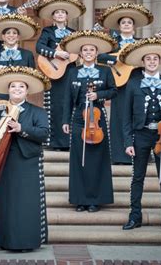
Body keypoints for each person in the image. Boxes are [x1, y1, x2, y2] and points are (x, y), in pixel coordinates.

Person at [0, 66, 51, 252]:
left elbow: (44, 134)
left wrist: (22, 129)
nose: (17, 90)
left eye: (21, 87)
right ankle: (2, 240)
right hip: (1, 162)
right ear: (8, 90)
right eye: (13, 87)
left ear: (27, 91)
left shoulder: (37, 111)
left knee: (25, 202)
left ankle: (26, 241)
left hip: (26, 161)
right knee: (3, 201)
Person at [121, 37, 161, 232]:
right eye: (148, 59)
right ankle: (135, 217)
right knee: (137, 177)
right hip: (140, 135)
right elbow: (126, 116)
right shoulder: (133, 84)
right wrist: (127, 141)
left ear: (160, 62)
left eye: (155, 59)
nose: (152, 62)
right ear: (143, 62)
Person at [61, 30, 117, 213]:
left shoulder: (105, 71)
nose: (88, 53)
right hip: (79, 117)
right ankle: (80, 199)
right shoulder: (73, 72)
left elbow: (113, 91)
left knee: (96, 159)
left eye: (91, 50)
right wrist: (65, 120)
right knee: (79, 159)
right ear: (80, 53)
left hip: (97, 116)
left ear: (96, 53)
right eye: (85, 50)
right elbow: (67, 98)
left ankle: (95, 199)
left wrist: (98, 94)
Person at [98, 3, 154, 165]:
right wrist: (116, 59)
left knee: (140, 117)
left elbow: (150, 57)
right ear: (119, 27)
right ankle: (118, 155)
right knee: (119, 117)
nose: (127, 25)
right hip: (119, 83)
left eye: (129, 22)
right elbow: (101, 57)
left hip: (138, 82)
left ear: (134, 27)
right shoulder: (112, 42)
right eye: (123, 23)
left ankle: (142, 154)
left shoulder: (140, 42)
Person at [35, 0, 86, 150]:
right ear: (53, 17)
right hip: (54, 73)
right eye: (57, 13)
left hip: (70, 72)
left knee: (70, 105)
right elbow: (39, 47)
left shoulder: (73, 33)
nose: (60, 15)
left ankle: (69, 142)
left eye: (62, 13)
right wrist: (56, 54)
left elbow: (80, 50)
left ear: (67, 16)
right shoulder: (47, 31)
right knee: (55, 107)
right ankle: (55, 142)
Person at [0, 14, 38, 98]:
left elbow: (32, 78)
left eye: (14, 33)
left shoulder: (28, 54)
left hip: (19, 95)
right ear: (3, 37)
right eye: (8, 33)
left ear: (18, 37)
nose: (11, 35)